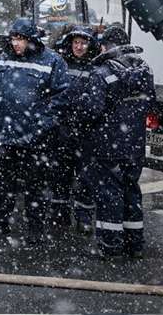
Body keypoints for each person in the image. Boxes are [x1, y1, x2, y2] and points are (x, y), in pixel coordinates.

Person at [0, 18, 69, 245]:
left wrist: (41, 126)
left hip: (35, 139)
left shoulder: (52, 61)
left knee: (35, 187)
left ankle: (35, 230)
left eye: (20, 39)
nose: (16, 43)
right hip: (5, 136)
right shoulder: (3, 59)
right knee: (2, 184)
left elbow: (61, 99)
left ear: (31, 40)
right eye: (13, 38)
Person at [77, 25, 155, 258]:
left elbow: (91, 110)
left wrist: (80, 109)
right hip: (135, 145)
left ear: (105, 46)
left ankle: (110, 246)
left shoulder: (101, 73)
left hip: (108, 145)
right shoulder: (146, 70)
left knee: (109, 193)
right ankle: (135, 244)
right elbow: (150, 103)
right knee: (132, 190)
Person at [50, 25, 101, 229]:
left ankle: (84, 218)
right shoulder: (61, 65)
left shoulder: (95, 67)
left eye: (83, 43)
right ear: (70, 44)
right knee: (61, 174)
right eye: (76, 43)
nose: (79, 47)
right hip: (63, 130)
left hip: (86, 131)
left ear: (90, 45)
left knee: (85, 177)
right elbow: (53, 94)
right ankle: (59, 215)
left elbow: (97, 101)